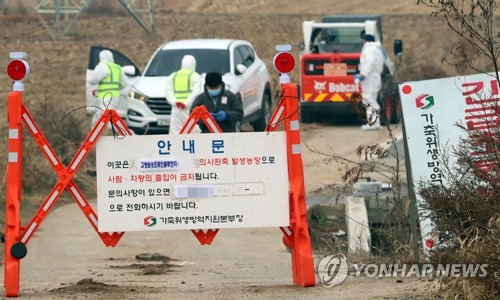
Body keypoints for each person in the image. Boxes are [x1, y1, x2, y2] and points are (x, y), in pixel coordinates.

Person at [87, 50, 127, 126]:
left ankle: (121, 135)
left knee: (108, 119)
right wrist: (114, 89)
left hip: (106, 97)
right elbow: (125, 83)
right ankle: (96, 135)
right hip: (115, 97)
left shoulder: (102, 67)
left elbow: (93, 81)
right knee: (99, 116)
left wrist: (89, 77)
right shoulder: (117, 67)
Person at [165, 55, 202, 134]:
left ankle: (176, 146)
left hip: (176, 109)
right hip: (190, 109)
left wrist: (175, 102)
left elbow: (168, 92)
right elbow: (196, 93)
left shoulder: (173, 76)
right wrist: (186, 103)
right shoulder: (195, 76)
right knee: (193, 130)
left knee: (176, 132)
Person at [358, 34, 385, 131]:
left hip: (370, 77)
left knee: (369, 99)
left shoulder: (369, 49)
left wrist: (364, 73)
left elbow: (370, 62)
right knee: (371, 99)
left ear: (366, 40)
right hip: (373, 76)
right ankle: (375, 122)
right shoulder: (376, 49)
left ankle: (373, 123)